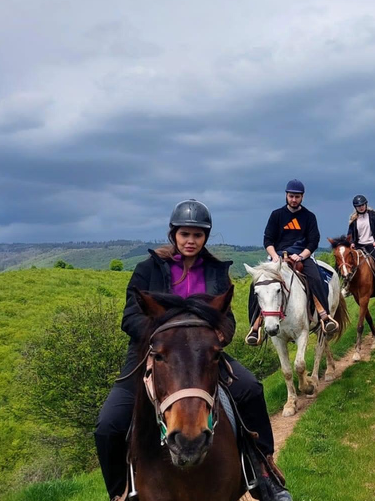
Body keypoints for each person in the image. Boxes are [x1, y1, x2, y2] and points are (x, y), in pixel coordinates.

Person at [94, 199, 291, 501]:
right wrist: (160, 334)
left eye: (197, 235)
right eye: (185, 234)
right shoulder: (148, 270)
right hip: (154, 354)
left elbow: (227, 320)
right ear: (173, 234)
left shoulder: (215, 272)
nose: (191, 241)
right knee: (108, 425)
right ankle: (119, 492)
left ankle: (264, 472)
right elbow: (131, 316)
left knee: (251, 389)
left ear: (205, 238)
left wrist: (213, 338)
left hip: (202, 355)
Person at [247, 180, 339, 345]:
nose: (294, 199)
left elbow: (313, 241)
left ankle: (325, 317)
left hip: (302, 257)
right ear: (286, 196)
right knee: (257, 284)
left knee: (317, 278)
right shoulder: (277, 215)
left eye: (297, 196)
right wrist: (275, 257)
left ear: (302, 197)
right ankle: (255, 326)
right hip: (278, 257)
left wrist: (302, 256)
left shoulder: (309, 217)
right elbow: (268, 239)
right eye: (291, 196)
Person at [347, 194, 375, 298]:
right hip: (359, 246)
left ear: (366, 205)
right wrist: (352, 242)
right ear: (355, 208)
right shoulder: (354, 220)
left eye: (362, 205)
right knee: (349, 262)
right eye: (358, 206)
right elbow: (350, 234)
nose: (361, 207)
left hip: (372, 244)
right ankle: (347, 286)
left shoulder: (373, 216)